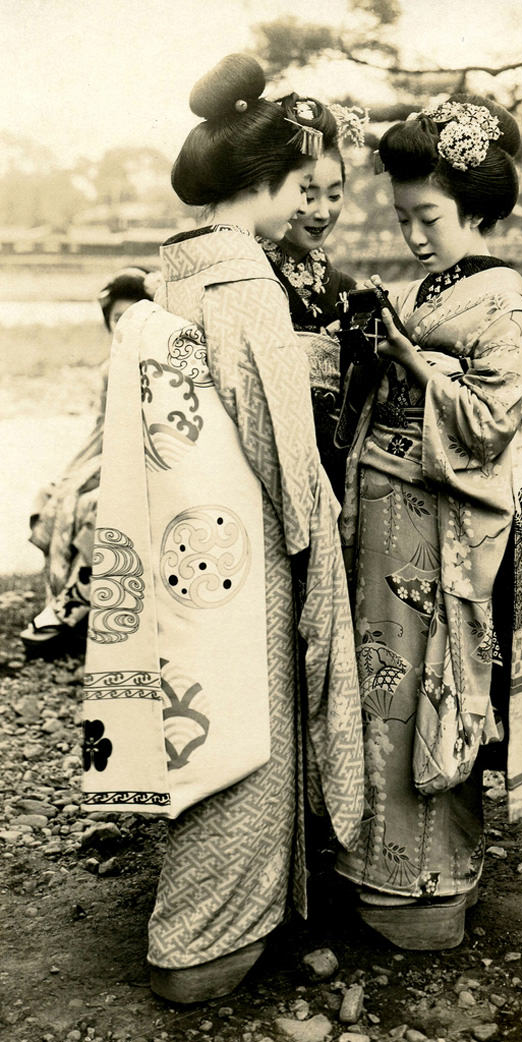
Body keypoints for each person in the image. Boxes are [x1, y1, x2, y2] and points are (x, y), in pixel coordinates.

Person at [80, 53, 364, 1004]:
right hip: (248, 542)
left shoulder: (178, 274)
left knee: (203, 720)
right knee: (258, 733)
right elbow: (284, 446)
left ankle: (233, 921)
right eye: (299, 186)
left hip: (186, 543)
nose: (305, 206)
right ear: (264, 186)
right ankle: (208, 940)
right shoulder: (246, 287)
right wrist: (317, 539)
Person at [335, 95, 522, 949]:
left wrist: (410, 361)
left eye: (428, 217)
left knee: (427, 694)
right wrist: (379, 353)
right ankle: (371, 869)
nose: (412, 237)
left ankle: (430, 885)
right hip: (386, 518)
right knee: (378, 690)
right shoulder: (434, 290)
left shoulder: (502, 310)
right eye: (402, 218)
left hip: (442, 529)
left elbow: (488, 424)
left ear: (475, 208)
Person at [21, 266, 159, 654]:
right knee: (56, 496)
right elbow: (101, 433)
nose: (125, 328)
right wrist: (75, 475)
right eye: (117, 320)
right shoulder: (108, 369)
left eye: (134, 319)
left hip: (149, 461)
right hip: (112, 456)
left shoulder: (160, 368)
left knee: (96, 507)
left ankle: (72, 608)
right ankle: (67, 599)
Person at [259, 98, 367, 499]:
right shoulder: (253, 277)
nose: (321, 212)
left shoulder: (345, 287)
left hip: (333, 469)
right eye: (307, 193)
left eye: (334, 196)